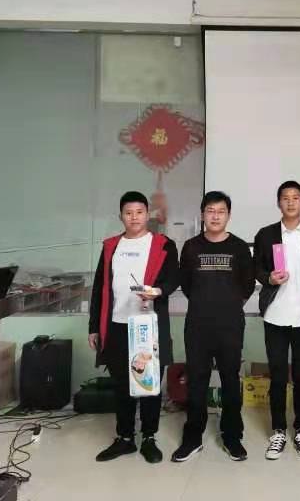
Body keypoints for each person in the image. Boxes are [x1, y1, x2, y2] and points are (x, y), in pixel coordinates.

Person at [88, 191, 179, 464]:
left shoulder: (163, 244)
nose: (134, 217)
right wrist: (94, 327)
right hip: (117, 325)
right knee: (122, 385)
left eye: (139, 212)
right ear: (121, 216)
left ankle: (149, 437)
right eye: (128, 213)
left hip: (147, 325)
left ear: (148, 214)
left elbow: (173, 279)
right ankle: (125, 438)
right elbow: (99, 288)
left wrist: (157, 291)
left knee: (149, 384)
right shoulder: (111, 246)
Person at [172, 191, 256, 462]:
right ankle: (192, 437)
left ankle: (232, 436)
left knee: (231, 379)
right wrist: (205, 303)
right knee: (197, 380)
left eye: (221, 211)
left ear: (228, 215)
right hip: (198, 325)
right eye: (210, 211)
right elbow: (186, 284)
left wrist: (226, 305)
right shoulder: (191, 247)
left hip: (230, 325)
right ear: (202, 215)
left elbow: (247, 285)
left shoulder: (240, 248)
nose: (215, 216)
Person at [253, 181, 300, 460]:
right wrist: (269, 278)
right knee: (278, 376)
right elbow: (257, 268)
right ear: (278, 203)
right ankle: (278, 430)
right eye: (285, 198)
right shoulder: (266, 234)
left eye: (296, 198)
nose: (291, 202)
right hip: (275, 316)